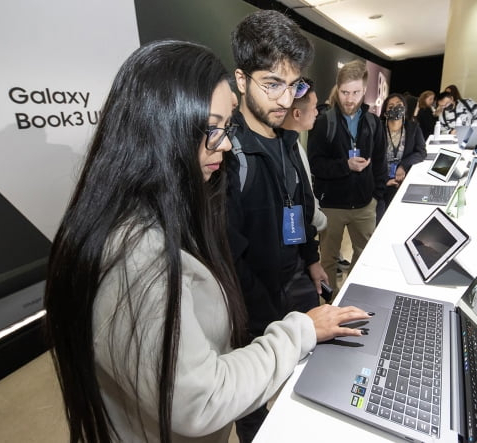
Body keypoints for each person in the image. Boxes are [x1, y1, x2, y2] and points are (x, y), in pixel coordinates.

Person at [44, 40, 370, 443]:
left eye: (226, 128)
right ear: (162, 130)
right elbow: (200, 399)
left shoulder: (172, 208)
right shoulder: (138, 256)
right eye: (212, 129)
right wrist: (299, 330)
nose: (227, 144)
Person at [226, 10, 328, 441]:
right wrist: (275, 323)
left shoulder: (287, 139)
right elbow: (229, 255)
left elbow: (301, 209)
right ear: (241, 79)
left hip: (295, 281)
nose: (287, 100)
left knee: (310, 389)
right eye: (273, 84)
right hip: (252, 307)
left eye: (295, 84)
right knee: (253, 402)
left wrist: (313, 260)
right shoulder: (226, 153)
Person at [307, 59, 387, 291]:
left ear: (364, 91)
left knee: (364, 257)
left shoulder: (373, 123)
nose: (349, 99)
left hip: (365, 205)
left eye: (355, 92)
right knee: (329, 259)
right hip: (331, 205)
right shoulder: (323, 122)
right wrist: (346, 165)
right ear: (337, 88)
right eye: (344, 92)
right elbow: (315, 164)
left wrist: (376, 196)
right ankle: (331, 305)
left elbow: (380, 162)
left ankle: (353, 296)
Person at [280, 78, 327, 234]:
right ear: (297, 113)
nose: (316, 112)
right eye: (313, 107)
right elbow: (303, 202)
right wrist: (322, 221)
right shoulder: (287, 150)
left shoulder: (295, 145)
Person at [378, 93, 427, 220]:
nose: (396, 108)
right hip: (380, 182)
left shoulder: (413, 128)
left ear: (404, 109)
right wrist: (383, 181)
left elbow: (421, 152)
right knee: (381, 218)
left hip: (402, 179)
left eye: (399, 105)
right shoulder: (377, 129)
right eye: (391, 106)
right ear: (384, 112)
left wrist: (403, 165)